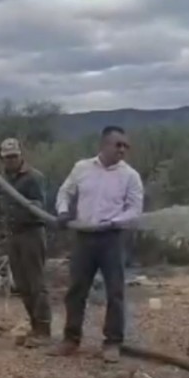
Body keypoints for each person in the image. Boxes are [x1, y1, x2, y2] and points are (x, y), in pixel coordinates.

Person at [51, 125, 144, 363]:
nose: (122, 149)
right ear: (103, 145)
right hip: (83, 237)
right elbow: (65, 192)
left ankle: (112, 342)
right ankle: (70, 339)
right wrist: (62, 212)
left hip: (112, 238)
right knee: (76, 290)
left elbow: (134, 210)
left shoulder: (130, 176)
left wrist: (113, 221)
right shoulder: (81, 168)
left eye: (126, 146)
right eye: (118, 144)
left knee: (115, 292)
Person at [0, 138, 52, 343]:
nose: (11, 160)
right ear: (2, 159)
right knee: (21, 283)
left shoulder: (33, 177)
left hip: (32, 232)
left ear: (21, 155)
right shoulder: (3, 178)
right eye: (7, 157)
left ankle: (44, 329)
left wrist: (26, 205)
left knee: (36, 282)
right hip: (14, 233)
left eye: (14, 156)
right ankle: (34, 326)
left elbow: (40, 205)